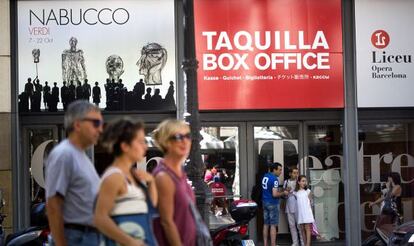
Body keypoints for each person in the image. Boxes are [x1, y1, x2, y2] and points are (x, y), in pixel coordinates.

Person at [45, 100, 103, 246]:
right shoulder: (64, 154)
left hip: (86, 235)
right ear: (77, 125)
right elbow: (53, 204)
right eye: (96, 123)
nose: (100, 129)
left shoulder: (80, 156)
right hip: (76, 237)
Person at [94, 118, 157, 246]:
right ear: (125, 146)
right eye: (140, 141)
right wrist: (132, 242)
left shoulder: (131, 175)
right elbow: (100, 218)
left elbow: (151, 206)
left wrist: (152, 181)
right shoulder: (114, 177)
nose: (145, 146)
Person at [152, 119, 196, 246]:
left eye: (188, 136)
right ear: (166, 142)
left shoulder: (180, 173)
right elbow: (167, 222)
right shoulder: (163, 176)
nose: (185, 141)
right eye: (178, 137)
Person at [262, 162, 288, 246]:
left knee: (266, 224)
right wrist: (284, 193)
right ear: (274, 170)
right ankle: (273, 244)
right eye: (279, 170)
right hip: (273, 203)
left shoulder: (265, 175)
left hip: (264, 202)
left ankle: (265, 244)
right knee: (273, 225)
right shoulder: (274, 179)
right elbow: (275, 194)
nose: (281, 172)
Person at [283, 167, 303, 246]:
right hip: (289, 205)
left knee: (299, 225)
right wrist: (286, 192)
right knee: (291, 225)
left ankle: (302, 242)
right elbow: (284, 195)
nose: (296, 174)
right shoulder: (286, 182)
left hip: (298, 205)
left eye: (297, 173)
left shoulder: (299, 182)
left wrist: (294, 192)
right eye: (294, 173)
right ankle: (295, 242)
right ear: (290, 173)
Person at [295, 175, 315, 246]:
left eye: (305, 181)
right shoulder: (296, 192)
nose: (304, 182)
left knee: (307, 229)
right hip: (300, 213)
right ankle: (304, 243)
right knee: (302, 229)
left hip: (307, 212)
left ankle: (307, 244)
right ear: (298, 182)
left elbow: (311, 202)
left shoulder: (308, 191)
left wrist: (310, 212)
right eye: (303, 181)